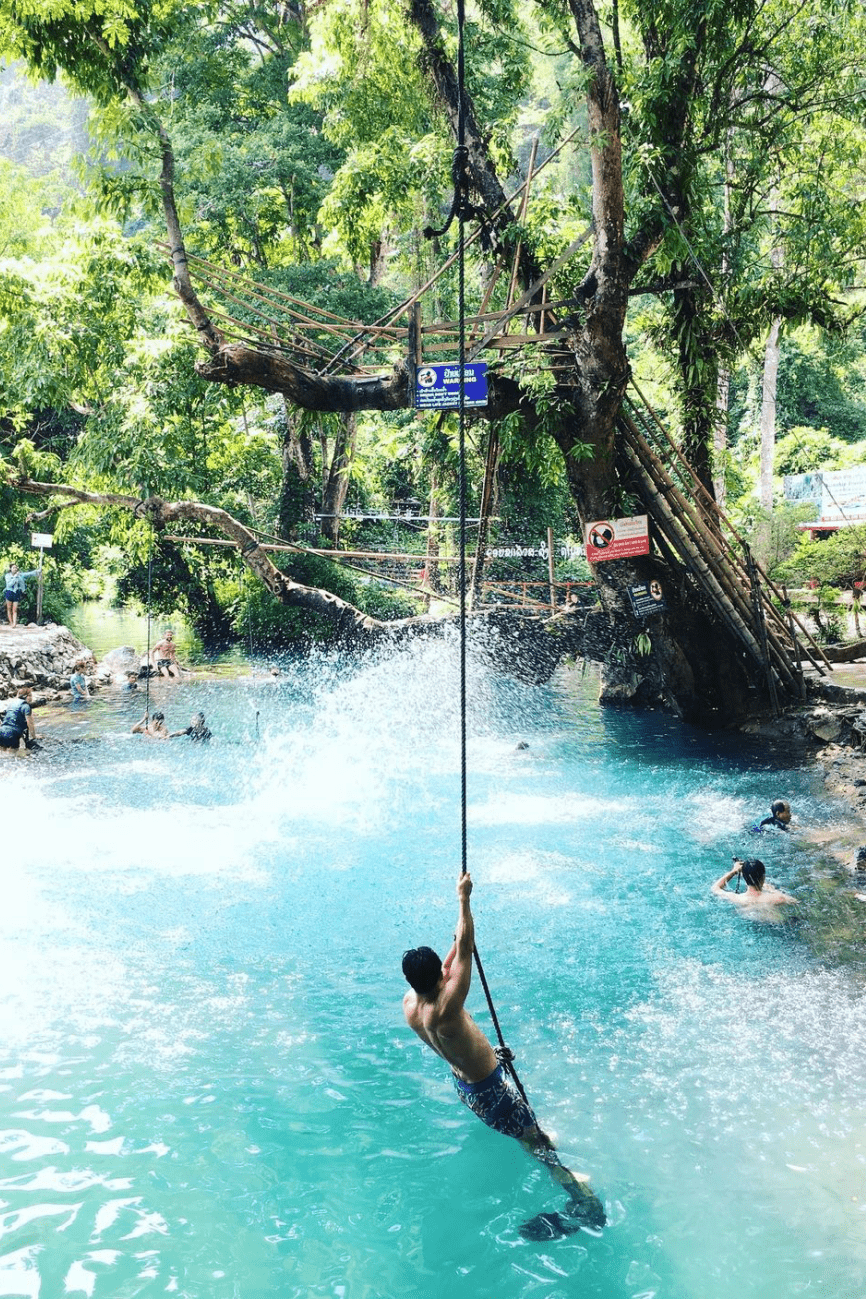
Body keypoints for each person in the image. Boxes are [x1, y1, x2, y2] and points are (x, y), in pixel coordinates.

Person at [402, 872, 605, 1229]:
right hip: (493, 1092)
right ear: (439, 979)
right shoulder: (448, 1008)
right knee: (538, 1147)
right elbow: (464, 952)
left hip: (469, 1086)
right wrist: (463, 898)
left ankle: (545, 1153)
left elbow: (451, 961)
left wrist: (456, 943)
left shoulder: (411, 1006)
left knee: (532, 1136)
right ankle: (586, 1208)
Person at [711, 858, 798, 911]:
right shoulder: (777, 898)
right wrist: (772, 890)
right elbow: (795, 901)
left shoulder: (737, 899)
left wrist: (733, 871)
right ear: (763, 877)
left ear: (744, 878)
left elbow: (715, 888)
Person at [0, 686, 37, 751]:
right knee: (16, 756)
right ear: (26, 696)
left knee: (3, 754)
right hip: (13, 734)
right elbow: (30, 723)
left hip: (1, 731)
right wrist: (34, 737)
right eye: (30, 696)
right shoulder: (26, 706)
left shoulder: (11, 704)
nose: (32, 698)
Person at [4, 563, 39, 628]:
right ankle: (11, 622)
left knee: (15, 609)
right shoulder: (7, 576)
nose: (15, 569)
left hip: (16, 593)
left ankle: (14, 623)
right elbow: (9, 584)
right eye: (14, 568)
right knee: (9, 609)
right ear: (10, 569)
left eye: (16, 568)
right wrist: (15, 577)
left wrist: (37, 572)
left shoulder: (19, 575)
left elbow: (28, 574)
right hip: (9, 592)